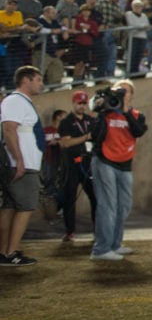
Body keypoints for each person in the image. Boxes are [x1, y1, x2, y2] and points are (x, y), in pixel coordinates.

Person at [89, 80, 147, 261]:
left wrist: (126, 111)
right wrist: (101, 111)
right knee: (107, 206)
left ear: (131, 96)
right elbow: (97, 136)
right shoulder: (105, 112)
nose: (121, 95)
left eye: (126, 92)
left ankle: (115, 244)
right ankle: (101, 249)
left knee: (123, 206)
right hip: (104, 161)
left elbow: (137, 132)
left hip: (125, 164)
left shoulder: (137, 115)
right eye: (118, 91)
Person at [0, 66, 45, 266]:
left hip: (23, 164)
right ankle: (10, 252)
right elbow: (9, 130)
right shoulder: (15, 101)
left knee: (10, 207)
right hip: (21, 166)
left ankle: (4, 252)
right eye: (38, 79)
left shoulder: (19, 101)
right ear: (26, 80)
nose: (41, 84)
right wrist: (19, 160)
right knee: (25, 207)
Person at [56, 90, 95, 243]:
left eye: (84, 103)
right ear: (73, 103)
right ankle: (70, 231)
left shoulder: (90, 121)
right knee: (69, 198)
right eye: (79, 103)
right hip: (71, 164)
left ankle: (98, 230)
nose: (82, 106)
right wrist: (86, 137)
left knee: (95, 196)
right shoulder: (66, 122)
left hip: (88, 163)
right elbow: (66, 143)